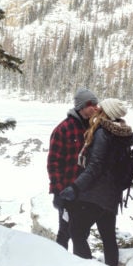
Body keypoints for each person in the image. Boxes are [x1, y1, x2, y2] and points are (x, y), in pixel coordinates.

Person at [59, 98, 133, 266]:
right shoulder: (122, 133)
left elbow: (95, 166)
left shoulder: (103, 133)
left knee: (76, 232)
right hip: (112, 194)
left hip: (95, 194)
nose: (97, 108)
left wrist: (75, 187)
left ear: (106, 112)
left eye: (101, 106)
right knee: (108, 238)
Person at [47, 87, 99, 249]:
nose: (95, 107)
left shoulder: (93, 129)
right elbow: (53, 163)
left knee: (81, 233)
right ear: (81, 106)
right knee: (65, 231)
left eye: (96, 103)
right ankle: (59, 264)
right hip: (68, 191)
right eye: (91, 104)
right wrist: (58, 191)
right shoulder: (63, 129)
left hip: (86, 191)